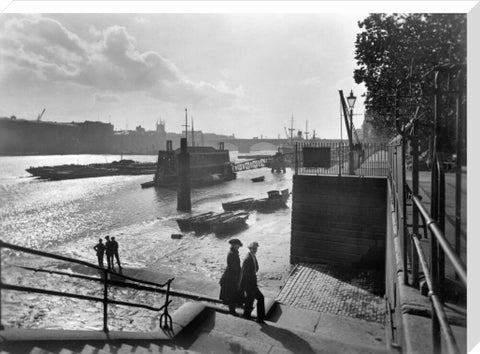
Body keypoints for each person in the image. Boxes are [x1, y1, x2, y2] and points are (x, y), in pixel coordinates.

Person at [239, 241, 266, 324]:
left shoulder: (252, 256)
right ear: (250, 249)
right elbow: (245, 275)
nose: (255, 250)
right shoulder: (248, 259)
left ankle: (246, 316)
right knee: (261, 298)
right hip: (250, 284)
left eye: (256, 248)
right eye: (253, 249)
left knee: (249, 300)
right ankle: (260, 319)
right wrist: (251, 287)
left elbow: (256, 268)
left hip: (251, 283)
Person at [219, 239, 244, 316]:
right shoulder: (231, 254)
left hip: (233, 275)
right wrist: (237, 278)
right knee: (231, 294)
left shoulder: (234, 252)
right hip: (231, 277)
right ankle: (232, 311)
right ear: (233, 245)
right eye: (237, 245)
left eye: (239, 245)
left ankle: (234, 309)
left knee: (233, 293)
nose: (238, 247)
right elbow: (232, 267)